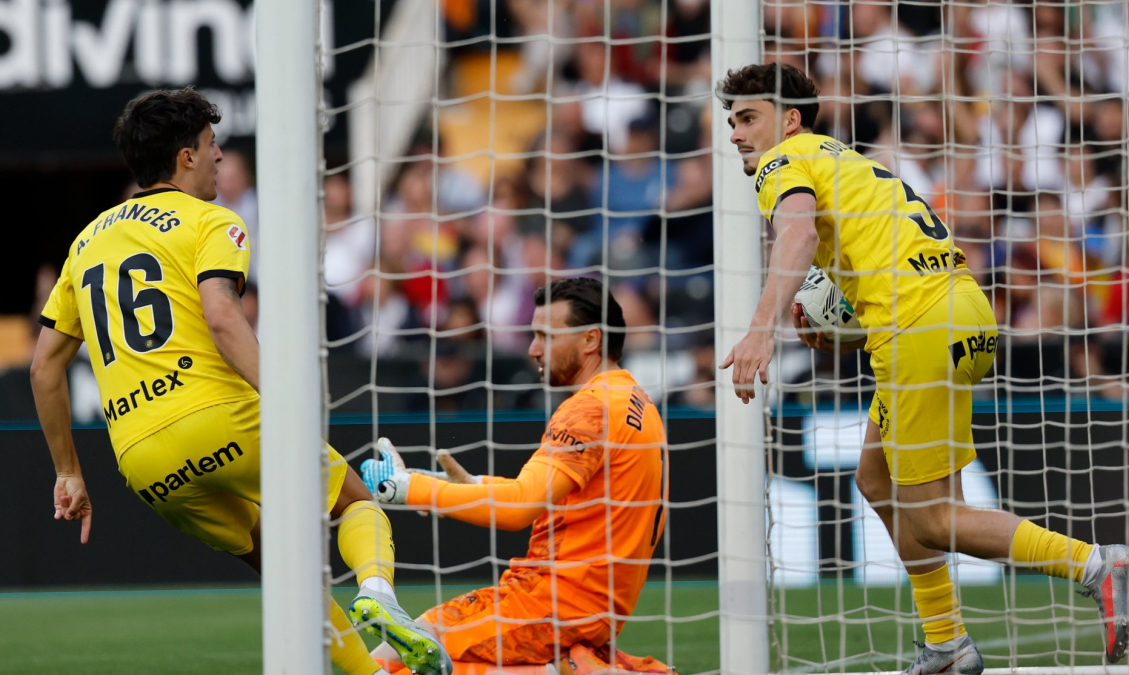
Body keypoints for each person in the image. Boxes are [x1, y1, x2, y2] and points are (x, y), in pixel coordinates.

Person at [715, 63, 1129, 674]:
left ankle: (1095, 564)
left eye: (748, 118)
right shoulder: (850, 161)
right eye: (732, 121)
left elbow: (798, 233)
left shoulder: (785, 161)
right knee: (876, 479)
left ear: (789, 121)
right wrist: (845, 322)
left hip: (918, 326)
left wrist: (762, 328)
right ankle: (946, 645)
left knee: (937, 518)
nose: (736, 133)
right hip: (961, 310)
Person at [29, 87, 449, 675]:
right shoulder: (212, 221)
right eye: (211, 144)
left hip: (140, 456)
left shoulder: (86, 241)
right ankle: (377, 593)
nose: (220, 156)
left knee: (279, 568)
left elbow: (43, 366)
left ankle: (371, 673)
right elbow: (223, 317)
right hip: (218, 415)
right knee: (354, 501)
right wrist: (286, 400)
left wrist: (69, 472)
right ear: (186, 156)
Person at [361, 277, 668, 669]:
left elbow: (520, 507)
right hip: (577, 603)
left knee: (396, 663)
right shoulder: (636, 400)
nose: (533, 349)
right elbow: (549, 494)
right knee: (397, 649)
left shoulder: (590, 409)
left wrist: (406, 488)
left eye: (546, 335)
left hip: (551, 602)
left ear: (590, 340)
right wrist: (471, 485)